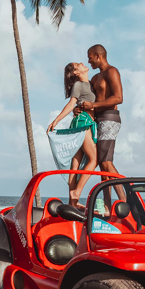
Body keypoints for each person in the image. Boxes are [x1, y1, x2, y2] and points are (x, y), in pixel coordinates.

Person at [47, 61, 98, 207]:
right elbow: (71, 103)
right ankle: (76, 193)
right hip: (83, 122)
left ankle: (72, 203)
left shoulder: (90, 84)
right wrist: (56, 121)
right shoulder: (79, 85)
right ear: (76, 73)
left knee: (74, 166)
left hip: (84, 122)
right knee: (94, 160)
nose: (83, 63)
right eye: (78, 64)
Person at [79, 44, 123, 179]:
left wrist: (93, 105)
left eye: (90, 57)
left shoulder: (112, 71)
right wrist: (79, 108)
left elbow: (118, 98)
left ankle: (126, 196)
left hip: (110, 118)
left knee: (106, 162)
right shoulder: (94, 78)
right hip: (97, 119)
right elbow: (88, 100)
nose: (88, 61)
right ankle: (107, 200)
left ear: (98, 56)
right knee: (101, 164)